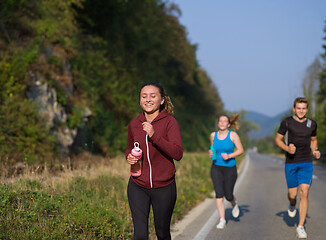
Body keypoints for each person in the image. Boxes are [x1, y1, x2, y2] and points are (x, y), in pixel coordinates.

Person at [125, 82, 183, 240]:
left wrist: (154, 135)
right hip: (138, 186)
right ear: (140, 100)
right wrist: (129, 156)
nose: (148, 100)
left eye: (153, 96)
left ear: (162, 100)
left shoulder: (170, 122)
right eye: (144, 96)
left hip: (164, 187)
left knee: (162, 233)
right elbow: (129, 148)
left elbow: (177, 153)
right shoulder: (134, 124)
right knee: (140, 235)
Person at [275, 97, 321, 239]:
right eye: (298, 108)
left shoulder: (312, 124)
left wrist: (315, 150)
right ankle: (292, 204)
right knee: (293, 195)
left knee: (305, 192)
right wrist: (287, 148)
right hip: (291, 162)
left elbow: (313, 140)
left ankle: (300, 226)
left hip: (306, 162)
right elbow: (278, 140)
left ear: (307, 109)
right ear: (294, 109)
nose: (301, 111)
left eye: (304, 108)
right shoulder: (287, 122)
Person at [209, 114, 244, 229]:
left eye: (225, 121)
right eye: (220, 121)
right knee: (219, 194)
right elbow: (212, 149)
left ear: (228, 124)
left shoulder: (233, 135)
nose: (222, 123)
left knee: (228, 195)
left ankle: (234, 203)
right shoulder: (213, 135)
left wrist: (229, 156)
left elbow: (240, 150)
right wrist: (211, 153)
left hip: (230, 168)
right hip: (216, 167)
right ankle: (222, 219)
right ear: (218, 123)